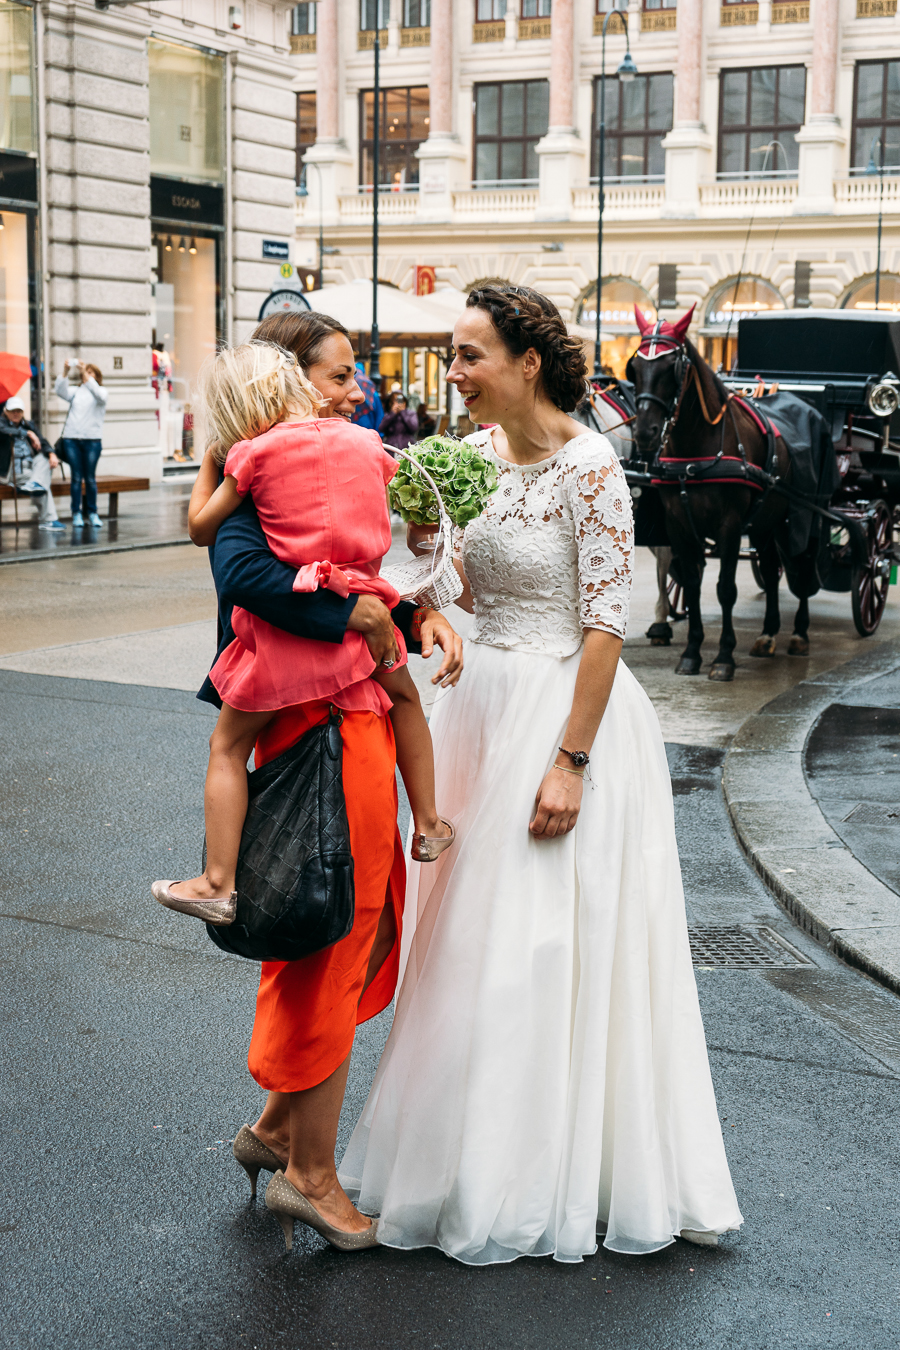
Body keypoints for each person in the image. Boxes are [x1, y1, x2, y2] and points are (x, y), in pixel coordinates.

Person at [339, 284, 743, 1263]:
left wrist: (570, 761)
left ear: (528, 362)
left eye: (470, 354)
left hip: (567, 712)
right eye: (451, 354)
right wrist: (423, 560)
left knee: (541, 946)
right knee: (467, 945)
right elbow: (449, 586)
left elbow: (608, 622)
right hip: (478, 708)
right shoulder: (464, 458)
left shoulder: (592, 464)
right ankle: (453, 1155)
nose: (455, 373)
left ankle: (542, 1170)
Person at [190, 308, 464, 1253]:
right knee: (331, 933)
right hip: (323, 734)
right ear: (283, 381)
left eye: (354, 377)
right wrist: (363, 612)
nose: (357, 393)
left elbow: (363, 565)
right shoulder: (253, 482)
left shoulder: (310, 474)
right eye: (338, 376)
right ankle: (310, 1177)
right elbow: (254, 583)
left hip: (355, 728)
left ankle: (275, 1129)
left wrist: (409, 613)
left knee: (347, 928)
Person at [153, 340, 452, 923]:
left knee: (228, 746)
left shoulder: (253, 456)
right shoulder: (367, 441)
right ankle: (430, 823)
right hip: (364, 617)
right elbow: (408, 500)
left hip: (285, 641)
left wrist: (215, 461)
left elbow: (201, 529)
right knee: (408, 700)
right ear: (296, 387)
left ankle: (217, 881)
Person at [55, 359, 108, 528]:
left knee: (90, 479)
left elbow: (99, 395)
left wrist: (84, 372)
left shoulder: (101, 392)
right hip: (71, 439)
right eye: (86, 372)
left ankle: (92, 513)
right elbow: (60, 391)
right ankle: (76, 513)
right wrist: (65, 371)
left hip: (92, 440)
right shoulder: (76, 391)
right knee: (76, 478)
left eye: (91, 372)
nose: (87, 375)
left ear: (96, 377)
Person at [0, 397, 64, 530]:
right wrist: (27, 433)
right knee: (43, 482)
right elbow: (3, 431)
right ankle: (48, 520)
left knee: (45, 460)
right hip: (8, 472)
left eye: (19, 411)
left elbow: (43, 441)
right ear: (5, 411)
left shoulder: (29, 424)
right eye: (12, 411)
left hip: (29, 470)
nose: (16, 413)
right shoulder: (2, 424)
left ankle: (34, 483)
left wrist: (52, 454)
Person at [350, 361, 383, 431]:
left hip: (350, 429)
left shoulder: (348, 389)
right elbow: (379, 416)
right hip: (368, 429)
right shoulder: (372, 392)